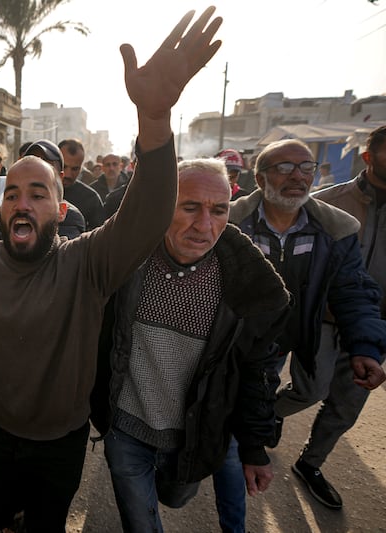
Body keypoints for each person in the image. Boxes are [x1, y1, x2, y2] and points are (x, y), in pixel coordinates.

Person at [0, 8, 223, 531]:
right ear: (1, 208)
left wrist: (154, 119)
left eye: (38, 193)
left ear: (61, 210)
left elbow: (145, 218)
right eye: (12, 193)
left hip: (62, 442)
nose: (22, 202)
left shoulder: (86, 263)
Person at [101, 158, 289, 533]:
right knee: (141, 522)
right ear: (163, 207)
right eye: (190, 207)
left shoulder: (248, 289)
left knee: (175, 496)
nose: (205, 226)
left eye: (219, 210)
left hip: (195, 437)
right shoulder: (123, 262)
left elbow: (257, 372)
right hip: (125, 432)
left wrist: (253, 447)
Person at [221, 138, 386, 522]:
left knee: (313, 389)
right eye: (284, 167)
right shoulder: (229, 222)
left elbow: (353, 289)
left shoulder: (335, 227)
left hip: (300, 334)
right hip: (240, 342)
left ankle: (277, 440)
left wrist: (365, 347)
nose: (297, 176)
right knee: (235, 413)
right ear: (260, 179)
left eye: (306, 167)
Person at [286, 125, 386, 509]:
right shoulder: (328, 204)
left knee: (347, 404)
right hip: (324, 318)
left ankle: (311, 463)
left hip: (376, 325)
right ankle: (264, 416)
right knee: (309, 388)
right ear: (367, 157)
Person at [21, 139, 87, 238]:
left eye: (45, 167)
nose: (36, 173)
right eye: (32, 165)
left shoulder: (71, 217)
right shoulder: (12, 207)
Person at [58, 138, 106, 230]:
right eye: (64, 167)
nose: (68, 174)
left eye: (75, 169)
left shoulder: (91, 199)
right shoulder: (37, 192)